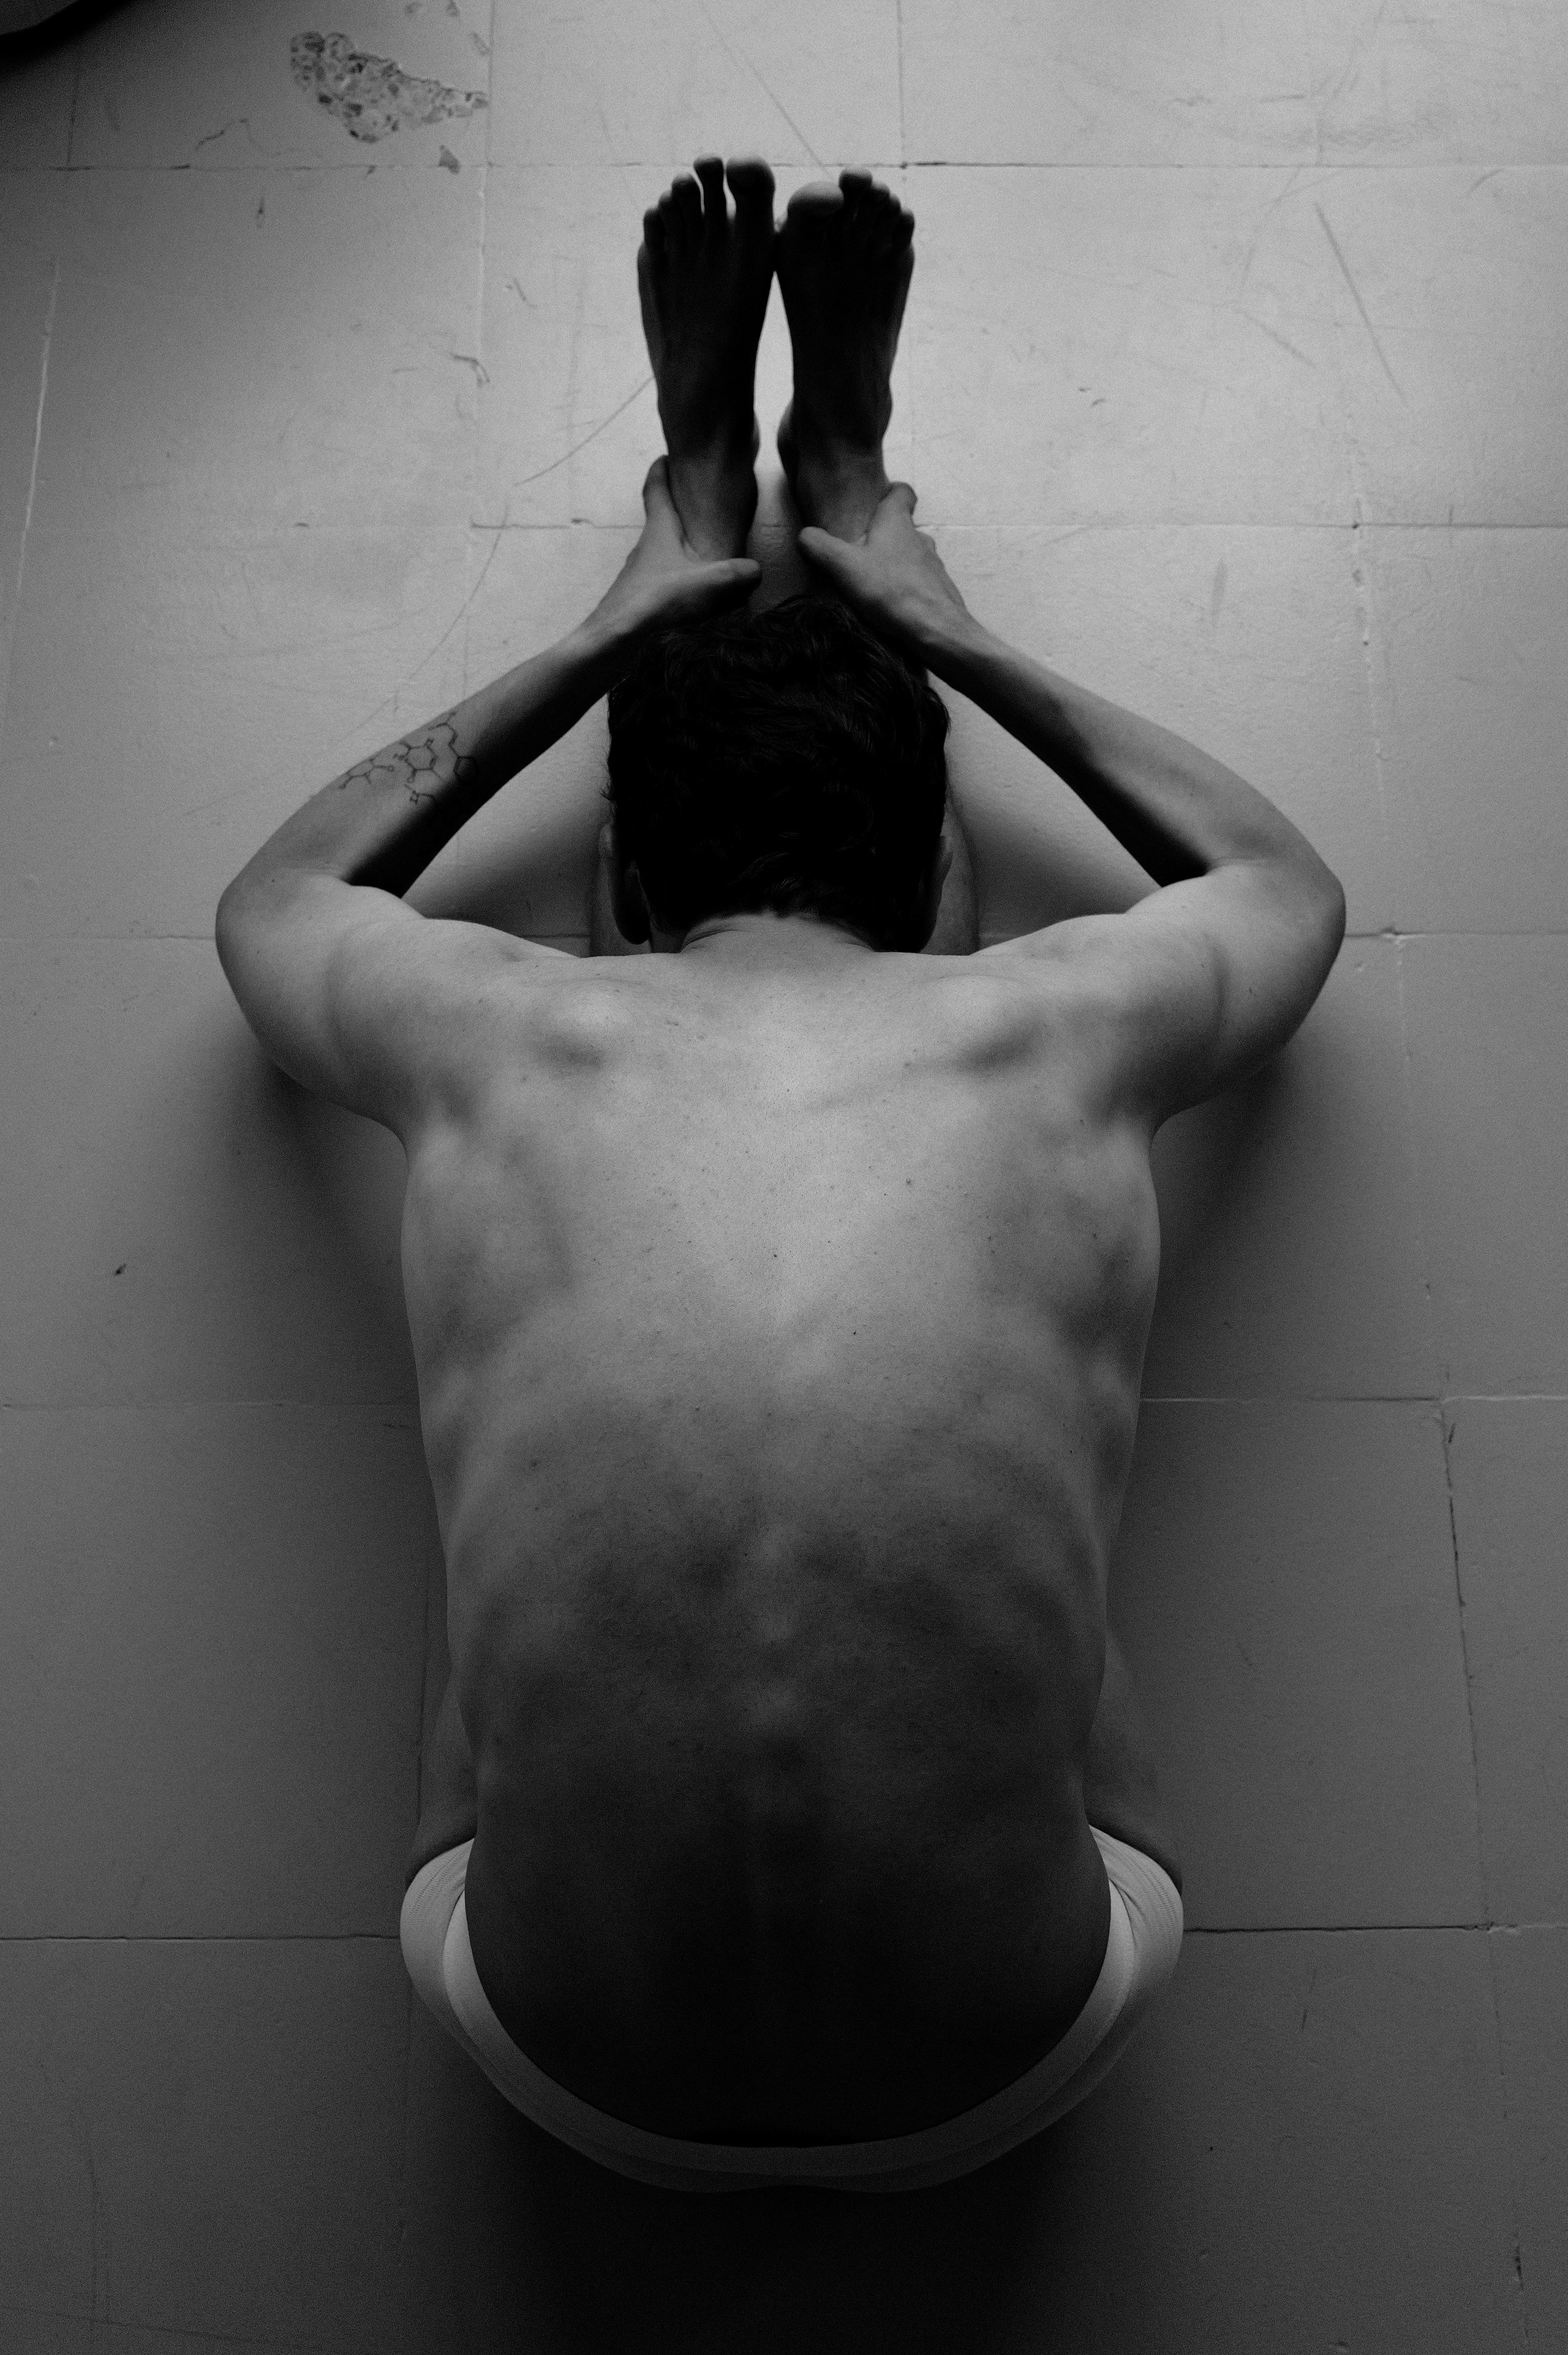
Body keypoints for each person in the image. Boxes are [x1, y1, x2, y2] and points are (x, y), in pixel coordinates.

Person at [215, 157, 1346, 2193]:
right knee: (1015, 1443)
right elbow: (1282, 884)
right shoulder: (1061, 1025)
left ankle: (715, 520)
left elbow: (278, 896)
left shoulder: (488, 1028)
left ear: (617, 896)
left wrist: (618, 615)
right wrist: (937, 616)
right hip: (1026, 2047)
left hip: (555, 2060)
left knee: (509, 1438)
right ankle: (828, 496)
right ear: (942, 890)